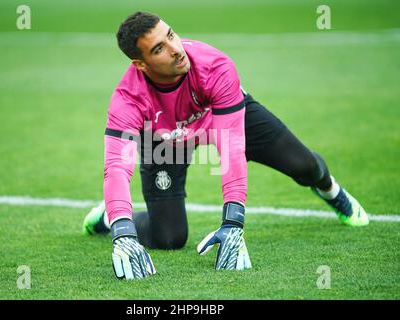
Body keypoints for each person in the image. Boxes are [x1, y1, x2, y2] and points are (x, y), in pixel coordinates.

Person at [82, 12, 369, 280]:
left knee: (306, 166)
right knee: (168, 238)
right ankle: (111, 217)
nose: (175, 49)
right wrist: (123, 231)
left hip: (222, 118)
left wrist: (233, 222)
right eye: (159, 49)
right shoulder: (127, 98)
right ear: (140, 64)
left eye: (171, 35)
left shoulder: (214, 66)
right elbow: (117, 167)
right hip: (164, 140)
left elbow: (231, 149)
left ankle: (331, 190)